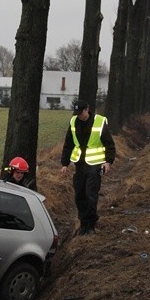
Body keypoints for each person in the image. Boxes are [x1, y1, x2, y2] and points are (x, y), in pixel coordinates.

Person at [60, 99, 115, 236]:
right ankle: (83, 223)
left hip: (95, 165)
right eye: (77, 113)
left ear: (87, 109)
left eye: (81, 112)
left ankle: (91, 225)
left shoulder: (99, 121)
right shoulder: (73, 122)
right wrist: (65, 164)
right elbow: (68, 144)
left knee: (91, 195)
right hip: (80, 165)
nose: (80, 116)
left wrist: (108, 161)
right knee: (80, 195)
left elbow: (109, 143)